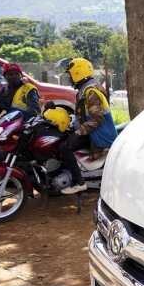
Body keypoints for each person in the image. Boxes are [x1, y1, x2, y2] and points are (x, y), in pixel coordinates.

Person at [57, 58, 118, 195]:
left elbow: (97, 118)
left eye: (70, 74)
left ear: (77, 73)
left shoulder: (91, 92)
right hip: (93, 132)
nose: (70, 78)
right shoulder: (87, 89)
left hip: (99, 134)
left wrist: (77, 132)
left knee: (64, 147)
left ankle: (79, 182)